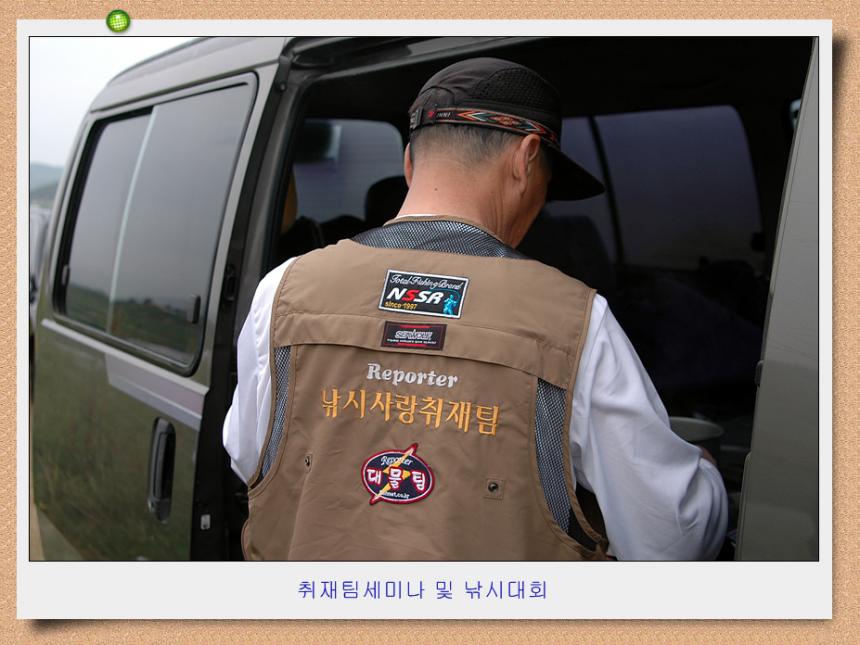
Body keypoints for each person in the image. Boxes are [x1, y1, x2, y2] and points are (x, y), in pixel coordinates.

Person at [223, 57, 728, 561]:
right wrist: (701, 473)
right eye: (548, 185)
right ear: (527, 158)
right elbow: (670, 536)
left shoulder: (282, 290)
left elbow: (250, 457)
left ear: (409, 162)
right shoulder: (576, 321)